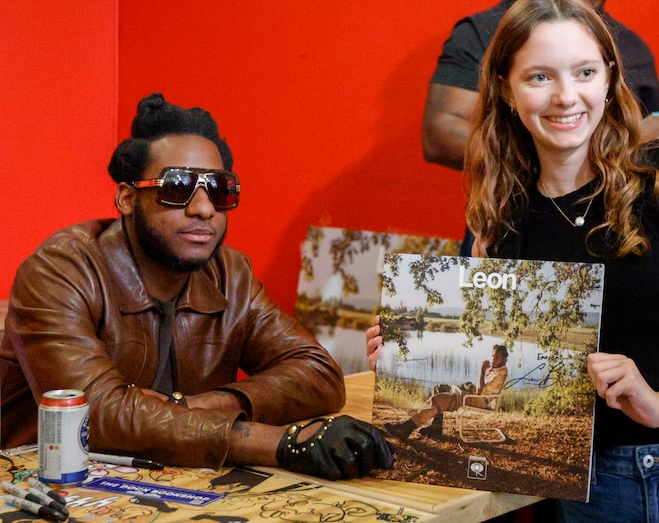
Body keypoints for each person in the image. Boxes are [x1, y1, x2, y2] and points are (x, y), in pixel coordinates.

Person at [372, 0, 659, 521]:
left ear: (611, 77)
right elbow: (504, 388)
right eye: (539, 76)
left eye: (585, 72)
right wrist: (411, 359)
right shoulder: (500, 218)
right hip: (586, 495)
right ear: (505, 89)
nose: (566, 97)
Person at [0, 93, 393, 481]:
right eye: (178, 187)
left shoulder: (230, 273)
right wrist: (280, 443)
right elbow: (93, 415)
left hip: (162, 479)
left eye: (220, 190)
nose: (204, 208)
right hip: (40, 484)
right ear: (127, 197)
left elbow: (318, 374)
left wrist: (190, 406)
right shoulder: (60, 271)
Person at [424, 0, 659, 255]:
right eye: (539, 76)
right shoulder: (483, 31)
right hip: (513, 216)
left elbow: (648, 134)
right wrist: (548, 158)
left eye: (586, 72)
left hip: (621, 217)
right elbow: (438, 133)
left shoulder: (633, 47)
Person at [383, 344, 508, 441]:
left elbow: (481, 391)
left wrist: (482, 370)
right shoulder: (495, 369)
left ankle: (405, 429)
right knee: (440, 388)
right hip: (472, 394)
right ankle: (435, 428)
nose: (493, 359)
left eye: (497, 357)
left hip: (478, 400)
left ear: (504, 360)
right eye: (493, 356)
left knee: (437, 400)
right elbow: (481, 388)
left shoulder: (500, 374)